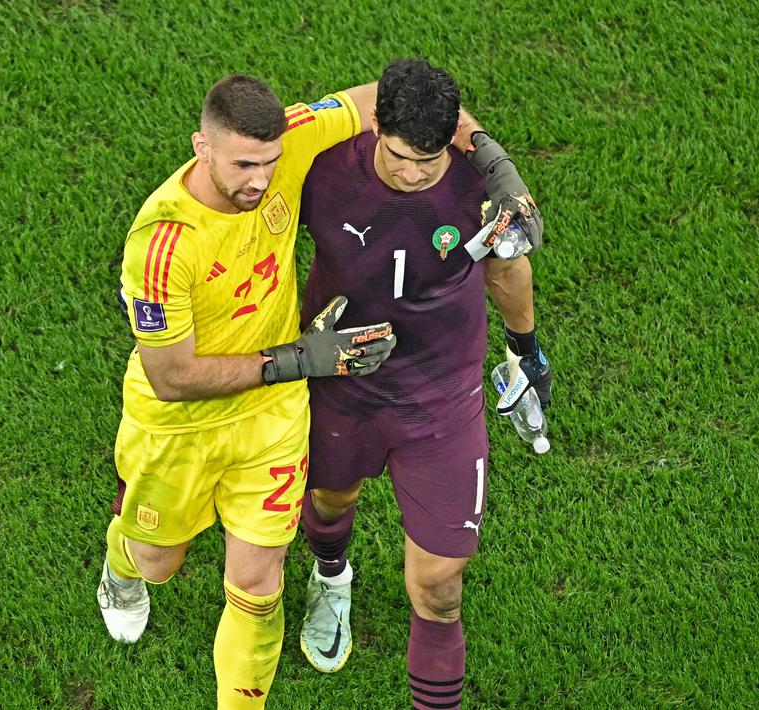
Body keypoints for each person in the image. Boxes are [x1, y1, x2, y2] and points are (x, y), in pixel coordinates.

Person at [96, 74, 399, 710]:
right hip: (177, 426)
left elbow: (387, 94)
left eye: (269, 164)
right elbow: (171, 378)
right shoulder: (160, 245)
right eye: (242, 165)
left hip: (271, 416)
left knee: (258, 585)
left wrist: (491, 158)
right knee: (159, 562)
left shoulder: (286, 141)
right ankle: (121, 571)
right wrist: (299, 358)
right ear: (201, 148)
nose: (260, 182)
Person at [295, 59, 552, 709]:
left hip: (441, 395)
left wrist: (526, 349)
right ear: (376, 125)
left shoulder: (477, 188)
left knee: (439, 585)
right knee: (328, 501)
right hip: (338, 378)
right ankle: (330, 576)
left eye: (429, 160)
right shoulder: (319, 167)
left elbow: (505, 269)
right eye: (400, 156)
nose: (413, 173)